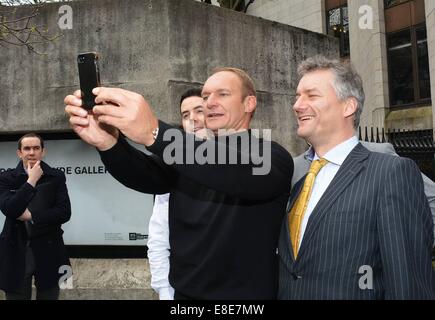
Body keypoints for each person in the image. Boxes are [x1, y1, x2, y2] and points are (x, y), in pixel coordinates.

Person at [64, 67, 294, 299]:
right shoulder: (187, 158)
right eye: (205, 97)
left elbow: (235, 171)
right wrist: (108, 143)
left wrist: (155, 133)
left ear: (249, 103)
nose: (209, 103)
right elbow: (144, 175)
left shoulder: (270, 157)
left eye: (222, 94)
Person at [278, 55, 434, 299]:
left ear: (348, 106)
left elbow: (407, 282)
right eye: (297, 96)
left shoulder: (390, 173)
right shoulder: (298, 181)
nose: (297, 105)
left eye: (311, 95)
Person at [292, 141, 435, 246]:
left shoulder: (377, 152)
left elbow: (430, 195)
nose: (300, 106)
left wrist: (415, 246)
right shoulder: (295, 166)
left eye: (313, 98)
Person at [148, 88, 206, 300]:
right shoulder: (172, 168)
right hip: (184, 291)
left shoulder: (241, 160)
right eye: (185, 115)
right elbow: (158, 237)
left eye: (199, 110)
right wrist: (164, 290)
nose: (193, 119)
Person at [0, 133, 72, 300]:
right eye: (27, 148)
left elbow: (64, 212)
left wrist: (32, 215)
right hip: (16, 250)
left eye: (36, 148)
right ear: (19, 153)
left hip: (50, 248)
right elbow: (10, 209)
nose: (31, 152)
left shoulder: (56, 176)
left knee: (50, 294)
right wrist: (31, 182)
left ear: (43, 151)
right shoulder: (6, 178)